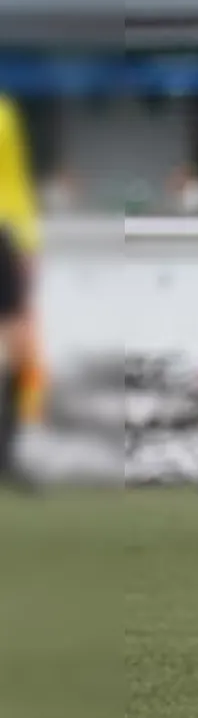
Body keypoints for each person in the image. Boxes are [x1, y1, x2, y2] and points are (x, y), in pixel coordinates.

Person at [0, 94, 40, 490]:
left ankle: (6, 454)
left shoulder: (4, 114)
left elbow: (14, 181)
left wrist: (27, 241)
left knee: (19, 349)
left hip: (1, 238)